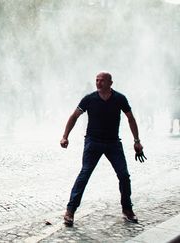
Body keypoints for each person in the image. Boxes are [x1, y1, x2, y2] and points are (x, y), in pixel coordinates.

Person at [60, 72, 147, 226]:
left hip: (113, 143)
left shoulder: (120, 98)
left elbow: (130, 118)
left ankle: (127, 209)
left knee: (124, 176)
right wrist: (65, 136)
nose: (98, 83)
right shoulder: (89, 99)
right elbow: (74, 116)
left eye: (101, 81)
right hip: (93, 142)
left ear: (110, 83)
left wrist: (137, 141)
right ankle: (70, 210)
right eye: (96, 80)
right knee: (85, 174)